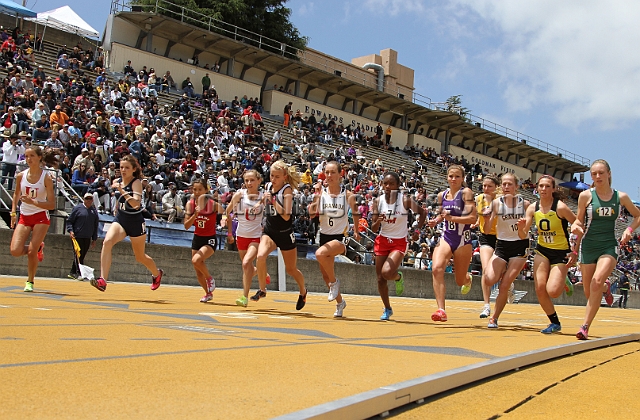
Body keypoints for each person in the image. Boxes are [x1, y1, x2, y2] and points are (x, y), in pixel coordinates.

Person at [571, 159, 640, 339]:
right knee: (589, 291)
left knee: (596, 280)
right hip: (588, 245)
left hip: (609, 245)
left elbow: (637, 215)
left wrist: (629, 229)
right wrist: (575, 227)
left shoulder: (621, 197)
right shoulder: (585, 196)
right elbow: (579, 220)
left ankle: (584, 327)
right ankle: (604, 288)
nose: (598, 176)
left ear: (609, 174)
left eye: (601, 173)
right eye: (594, 174)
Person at [90, 155, 164, 292]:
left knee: (140, 256)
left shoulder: (136, 183)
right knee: (107, 242)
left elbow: (136, 204)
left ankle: (156, 273)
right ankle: (103, 280)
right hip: (121, 219)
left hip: (136, 222)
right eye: (121, 167)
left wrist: (121, 190)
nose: (123, 170)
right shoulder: (117, 181)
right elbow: (119, 199)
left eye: (127, 168)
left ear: (133, 169)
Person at [519, 175, 577, 334]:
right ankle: (554, 322)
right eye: (541, 186)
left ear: (553, 189)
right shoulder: (532, 207)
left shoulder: (561, 207)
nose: (543, 189)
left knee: (553, 291)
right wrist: (521, 227)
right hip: (542, 250)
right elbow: (524, 233)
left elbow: (578, 226)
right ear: (536, 188)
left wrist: (575, 251)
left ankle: (564, 278)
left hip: (561, 253)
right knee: (539, 289)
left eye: (546, 186)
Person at [371, 171, 426, 320]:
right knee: (380, 279)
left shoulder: (405, 200)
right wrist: (378, 220)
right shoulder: (378, 201)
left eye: (391, 184)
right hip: (382, 240)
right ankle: (387, 309)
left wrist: (417, 230)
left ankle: (397, 277)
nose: (388, 186)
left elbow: (422, 213)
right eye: (385, 183)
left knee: (387, 273)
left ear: (398, 186)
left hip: (399, 241)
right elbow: (374, 228)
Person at [308, 161, 361, 317]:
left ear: (340, 174)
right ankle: (340, 303)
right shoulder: (321, 194)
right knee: (326, 276)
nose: (329, 176)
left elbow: (356, 212)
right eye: (327, 172)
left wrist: (356, 230)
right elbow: (311, 214)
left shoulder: (348, 195)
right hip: (324, 236)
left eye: (332, 172)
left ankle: (335, 283)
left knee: (319, 254)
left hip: (341, 237)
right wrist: (316, 196)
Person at [254, 160, 308, 310]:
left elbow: (286, 216)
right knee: (260, 256)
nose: (273, 179)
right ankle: (262, 289)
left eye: (277, 176)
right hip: (270, 231)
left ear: (284, 176)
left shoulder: (287, 191)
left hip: (285, 233)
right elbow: (265, 202)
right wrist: (258, 206)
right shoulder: (268, 187)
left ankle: (303, 291)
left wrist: (271, 200)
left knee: (291, 269)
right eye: (271, 175)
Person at [427, 165, 476, 322]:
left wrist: (452, 218)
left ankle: (468, 279)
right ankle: (441, 310)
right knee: (436, 268)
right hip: (446, 237)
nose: (453, 179)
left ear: (462, 179)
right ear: (447, 177)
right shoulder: (443, 195)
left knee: (459, 280)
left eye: (457, 176)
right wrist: (436, 220)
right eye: (450, 176)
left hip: (463, 240)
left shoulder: (466, 193)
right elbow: (443, 214)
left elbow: (472, 218)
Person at [482, 173, 531, 329]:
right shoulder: (496, 203)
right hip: (502, 244)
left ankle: (494, 318)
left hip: (519, 245)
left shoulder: (525, 204)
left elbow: (528, 229)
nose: (506, 187)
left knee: (503, 285)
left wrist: (523, 225)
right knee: (489, 279)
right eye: (504, 184)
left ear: (516, 186)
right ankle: (506, 280)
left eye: (510, 184)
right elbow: (487, 230)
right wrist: (487, 218)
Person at [9, 147, 57, 292]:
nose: (28, 159)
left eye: (32, 156)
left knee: (31, 252)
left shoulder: (46, 177)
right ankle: (38, 248)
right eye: (26, 156)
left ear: (39, 158)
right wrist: (13, 213)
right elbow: (16, 194)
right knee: (15, 251)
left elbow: (51, 205)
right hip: (24, 215)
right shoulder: (21, 175)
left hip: (41, 216)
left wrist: (34, 202)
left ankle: (30, 281)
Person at [225, 170, 272, 307]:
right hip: (241, 235)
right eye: (246, 181)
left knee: (246, 263)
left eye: (252, 180)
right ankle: (262, 273)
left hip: (256, 237)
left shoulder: (264, 196)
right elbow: (227, 211)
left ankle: (244, 297)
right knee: (249, 268)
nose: (249, 183)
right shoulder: (240, 194)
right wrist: (229, 232)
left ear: (259, 181)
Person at [183, 179, 221, 303]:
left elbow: (226, 214)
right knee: (198, 270)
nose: (197, 192)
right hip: (197, 238)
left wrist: (227, 227)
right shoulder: (190, 204)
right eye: (195, 190)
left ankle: (210, 279)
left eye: (200, 189)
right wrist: (195, 214)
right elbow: (186, 226)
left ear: (206, 190)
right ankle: (208, 293)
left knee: (196, 260)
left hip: (209, 239)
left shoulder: (213, 204)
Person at [473, 175, 500, 319]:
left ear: (496, 187)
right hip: (486, 237)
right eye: (484, 186)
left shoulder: (501, 201)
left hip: (502, 237)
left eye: (489, 186)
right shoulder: (479, 199)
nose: (486, 189)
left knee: (500, 271)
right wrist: (477, 221)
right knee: (485, 269)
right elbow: (478, 213)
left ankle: (509, 286)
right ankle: (486, 305)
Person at [66, 192, 99, 280]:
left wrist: (94, 239)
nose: (88, 200)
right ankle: (78, 273)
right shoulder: (77, 208)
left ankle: (73, 272)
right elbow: (70, 221)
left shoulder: (94, 211)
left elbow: (95, 225)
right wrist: (70, 230)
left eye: (90, 199)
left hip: (87, 236)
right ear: (83, 199)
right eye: (87, 199)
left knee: (82, 255)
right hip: (77, 236)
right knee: (78, 254)